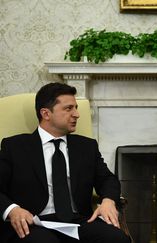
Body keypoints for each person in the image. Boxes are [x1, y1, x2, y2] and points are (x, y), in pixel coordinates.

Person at [0, 83, 130, 243]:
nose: (77, 114)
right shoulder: (14, 146)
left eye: (76, 107)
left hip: (78, 222)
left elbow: (107, 179)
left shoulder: (86, 146)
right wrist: (13, 210)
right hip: (34, 223)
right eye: (69, 109)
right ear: (46, 114)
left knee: (117, 239)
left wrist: (108, 200)